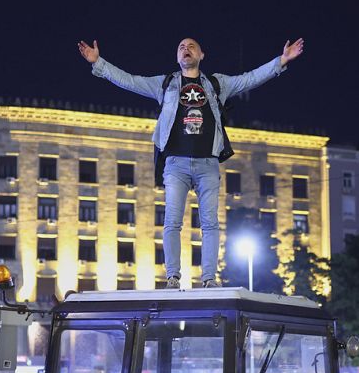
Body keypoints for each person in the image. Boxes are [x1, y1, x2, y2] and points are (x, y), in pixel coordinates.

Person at [78, 36, 304, 288]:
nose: (186, 50)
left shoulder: (217, 84)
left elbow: (249, 78)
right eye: (181, 47)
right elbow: (130, 80)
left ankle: (209, 279)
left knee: (209, 224)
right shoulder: (165, 84)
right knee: (172, 222)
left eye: (191, 47)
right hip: (176, 164)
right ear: (177, 57)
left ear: (201, 55)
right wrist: (99, 63)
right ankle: (173, 277)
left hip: (207, 163)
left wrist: (281, 60)